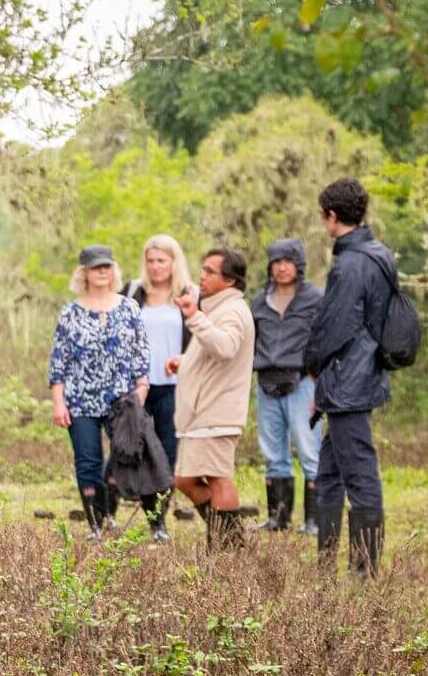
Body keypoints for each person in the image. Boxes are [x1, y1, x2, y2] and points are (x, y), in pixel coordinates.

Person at [306, 177, 395, 578]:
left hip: (347, 382)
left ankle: (364, 570)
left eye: (324, 218)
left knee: (359, 474)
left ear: (332, 216)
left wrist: (311, 366)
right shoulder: (379, 254)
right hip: (359, 375)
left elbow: (334, 327)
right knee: (329, 471)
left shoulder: (352, 263)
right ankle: (325, 564)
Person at [48, 245, 148, 539]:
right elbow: (59, 361)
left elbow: (141, 351)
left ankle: (110, 515)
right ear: (85, 273)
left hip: (122, 397)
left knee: (123, 456)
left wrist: (141, 388)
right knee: (87, 460)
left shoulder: (129, 307)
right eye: (96, 268)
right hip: (80, 399)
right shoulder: (70, 313)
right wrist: (58, 401)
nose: (102, 272)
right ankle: (96, 524)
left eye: (107, 267)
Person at [167, 247, 255, 551]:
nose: (201, 276)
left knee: (218, 478)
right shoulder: (217, 308)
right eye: (202, 270)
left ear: (230, 281)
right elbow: (213, 352)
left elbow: (226, 347)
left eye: (210, 272)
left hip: (217, 411)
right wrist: (185, 361)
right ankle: (229, 541)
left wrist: (194, 318)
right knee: (185, 479)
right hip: (202, 412)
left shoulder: (233, 311)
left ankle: (226, 550)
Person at [249, 238, 325, 534]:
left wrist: (316, 377)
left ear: (299, 265)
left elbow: (324, 339)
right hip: (266, 381)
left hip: (304, 382)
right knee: (273, 453)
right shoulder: (258, 301)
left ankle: (314, 521)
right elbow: (251, 341)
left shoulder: (315, 299)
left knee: (309, 451)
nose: (281, 268)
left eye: (287, 262)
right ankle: (277, 519)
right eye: (276, 262)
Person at [124, 235, 195, 542]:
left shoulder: (189, 295)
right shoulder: (131, 293)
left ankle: (158, 522)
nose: (155, 267)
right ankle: (113, 512)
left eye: (162, 260)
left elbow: (199, 339)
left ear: (174, 262)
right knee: (133, 448)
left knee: (167, 453)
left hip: (173, 387)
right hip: (138, 385)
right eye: (151, 260)